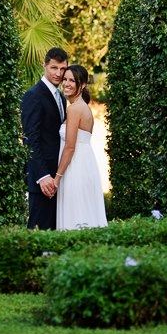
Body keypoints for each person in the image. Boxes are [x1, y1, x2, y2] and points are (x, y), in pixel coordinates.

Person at [54, 65, 107, 230]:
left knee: (75, 215)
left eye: (72, 80)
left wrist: (57, 178)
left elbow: (70, 147)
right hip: (84, 164)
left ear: (82, 85)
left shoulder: (75, 109)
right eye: (65, 79)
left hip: (75, 168)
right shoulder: (81, 106)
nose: (66, 83)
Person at [21, 47, 69, 230]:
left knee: (55, 232)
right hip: (43, 179)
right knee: (38, 233)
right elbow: (30, 139)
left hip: (57, 177)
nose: (58, 73)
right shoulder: (33, 95)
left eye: (62, 69)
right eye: (54, 68)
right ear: (45, 66)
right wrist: (42, 176)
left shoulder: (61, 98)